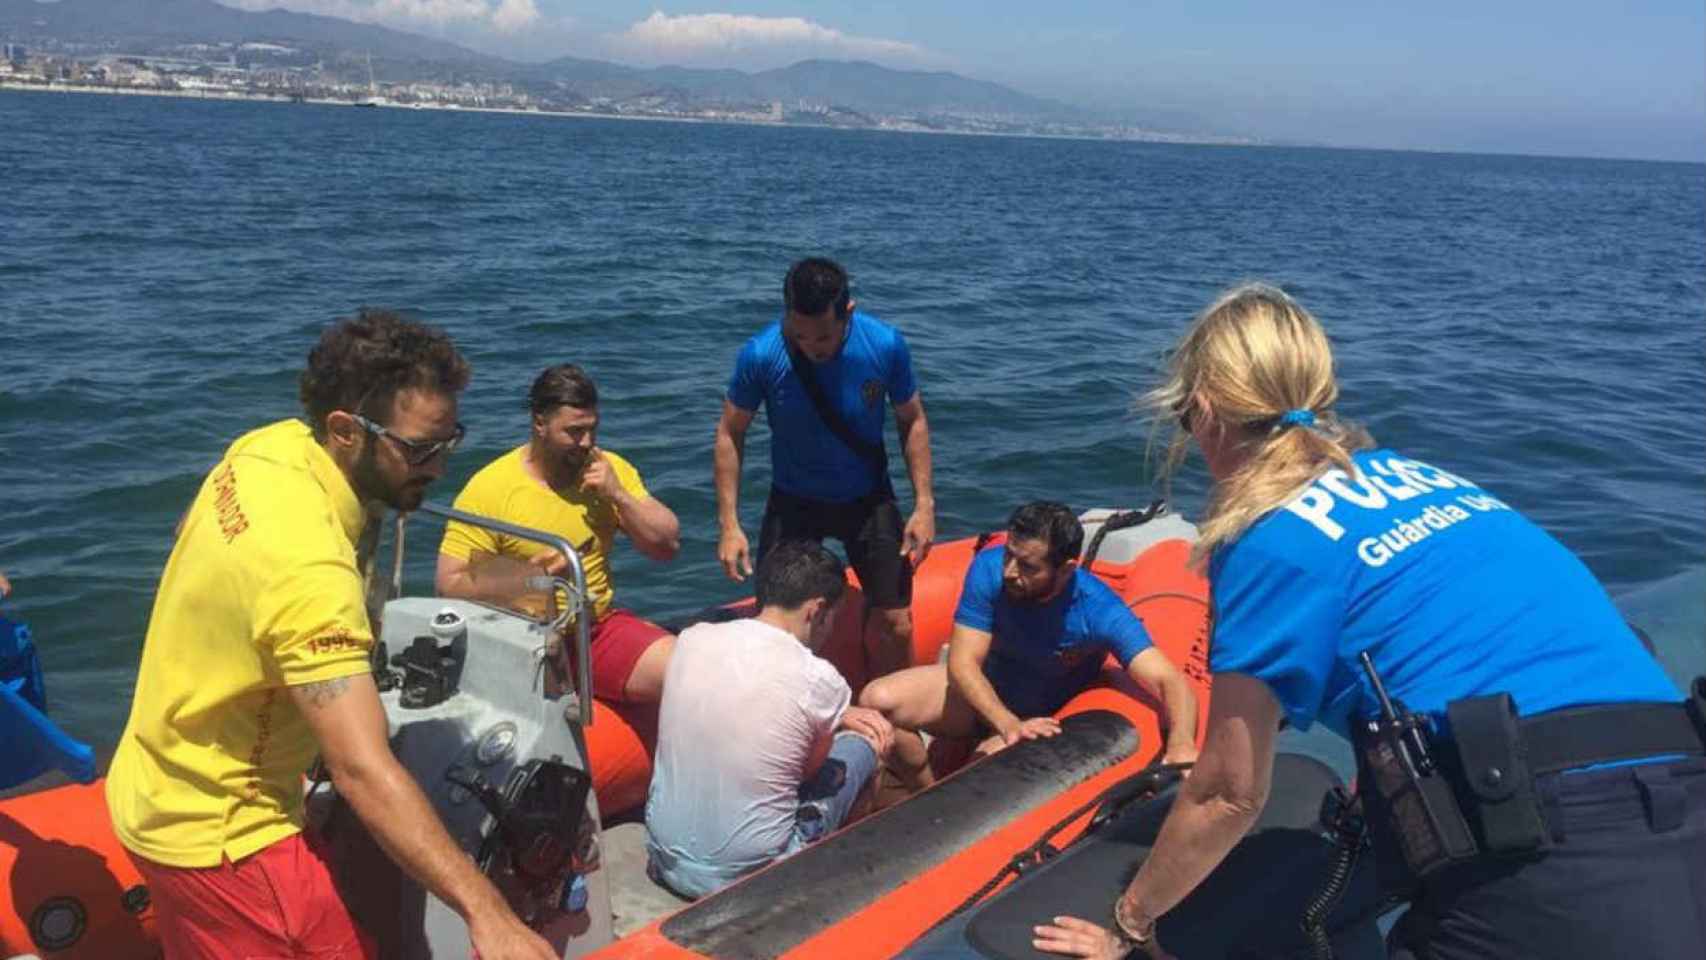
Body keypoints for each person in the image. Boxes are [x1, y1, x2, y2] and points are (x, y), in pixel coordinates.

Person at [1035, 284, 1703, 960]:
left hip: (1555, 845)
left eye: (1183, 417)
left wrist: (1131, 922)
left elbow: (1228, 793)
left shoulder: (1268, 538)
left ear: (1205, 412)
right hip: (1683, 790)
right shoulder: (1424, 477)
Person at [104, 309, 556, 960]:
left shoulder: (269, 448)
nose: (440, 465)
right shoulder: (311, 572)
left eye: (450, 439)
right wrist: (490, 916)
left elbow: (187, 536)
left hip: (152, 782)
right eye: (422, 449)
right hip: (227, 836)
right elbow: (360, 770)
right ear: (346, 430)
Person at [860, 501, 1201, 793]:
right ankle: (921, 792)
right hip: (982, 698)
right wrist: (1005, 723)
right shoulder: (989, 569)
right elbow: (963, 663)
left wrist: (1182, 742)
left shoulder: (1099, 610)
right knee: (876, 701)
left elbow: (1169, 682)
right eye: (1010, 555)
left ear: (1066, 569)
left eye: (1027, 566)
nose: (1010, 571)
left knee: (974, 783)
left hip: (1041, 718)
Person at [715, 257, 935, 680]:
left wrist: (924, 505)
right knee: (774, 623)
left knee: (896, 622)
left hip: (868, 498)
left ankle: (891, 716)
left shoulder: (884, 345)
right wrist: (729, 523)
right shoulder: (762, 354)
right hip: (793, 500)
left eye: (823, 336)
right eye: (799, 334)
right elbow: (729, 432)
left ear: (848, 311)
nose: (811, 346)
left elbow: (913, 419)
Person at [645, 539, 896, 899]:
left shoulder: (692, 639)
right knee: (868, 743)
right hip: (747, 878)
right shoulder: (819, 678)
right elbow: (808, 774)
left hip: (663, 860)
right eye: (833, 619)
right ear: (817, 610)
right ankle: (844, 875)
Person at [437, 364, 681, 704]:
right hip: (522, 636)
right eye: (574, 432)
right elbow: (449, 583)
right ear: (540, 423)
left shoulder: (606, 469)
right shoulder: (490, 489)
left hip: (595, 630)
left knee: (688, 674)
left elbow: (666, 546)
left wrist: (618, 495)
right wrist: (531, 580)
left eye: (593, 429)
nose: (587, 442)